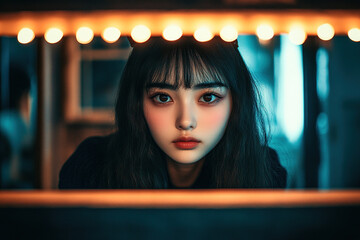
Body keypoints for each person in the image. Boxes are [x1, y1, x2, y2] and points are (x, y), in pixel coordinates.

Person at [59, 36, 287, 189]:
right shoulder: (92, 168)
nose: (185, 121)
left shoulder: (263, 171)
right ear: (137, 103)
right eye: (163, 97)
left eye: (208, 97)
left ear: (235, 103)